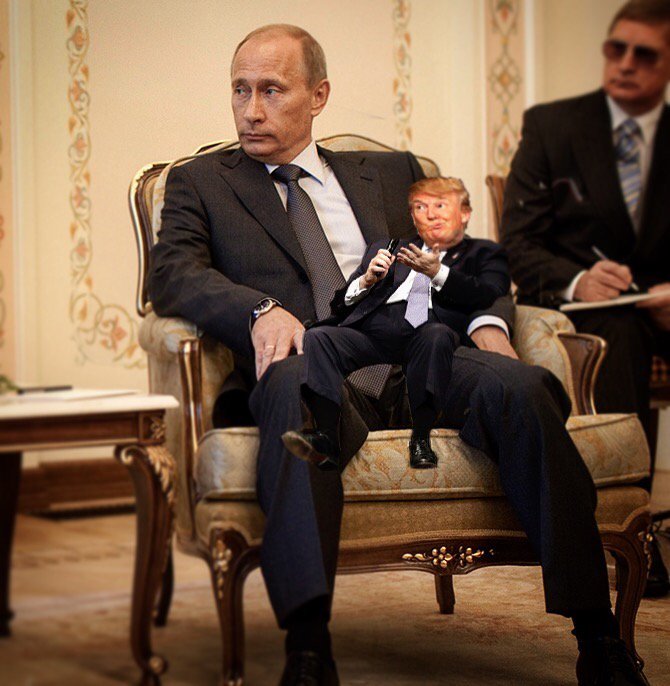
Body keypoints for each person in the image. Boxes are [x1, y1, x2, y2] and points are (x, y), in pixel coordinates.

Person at [149, 23, 650, 686]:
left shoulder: (393, 174)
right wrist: (260, 309)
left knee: (521, 390)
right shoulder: (201, 183)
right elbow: (173, 274)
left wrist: (487, 324)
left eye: (271, 90)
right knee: (298, 393)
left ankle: (599, 637)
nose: (251, 109)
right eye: (240, 90)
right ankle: (308, 649)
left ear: (318, 95)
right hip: (314, 360)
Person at [501, 0, 670, 599]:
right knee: (613, 334)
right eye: (615, 49)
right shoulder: (552, 126)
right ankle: (634, 533)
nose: (625, 64)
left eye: (644, 54)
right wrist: (577, 280)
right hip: (591, 310)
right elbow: (517, 244)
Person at [283, 177, 510, 471]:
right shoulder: (387, 247)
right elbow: (339, 305)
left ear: (464, 213)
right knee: (318, 337)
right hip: (375, 331)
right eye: (420, 207)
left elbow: (487, 293)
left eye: (440, 205)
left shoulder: (483, 254)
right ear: (413, 216)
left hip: (427, 332)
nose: (430, 214)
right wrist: (366, 281)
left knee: (436, 336)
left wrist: (438, 273)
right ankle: (327, 438)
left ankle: (421, 440)